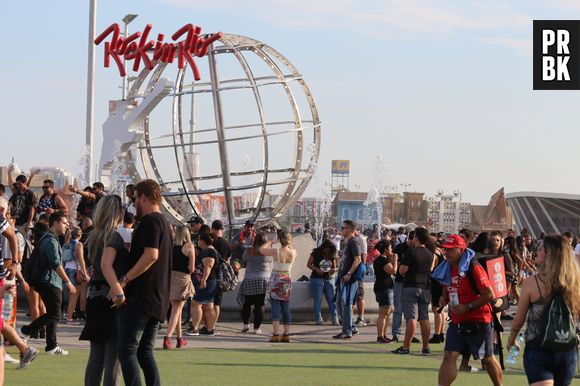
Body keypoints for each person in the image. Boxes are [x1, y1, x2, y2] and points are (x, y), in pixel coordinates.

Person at [115, 180, 172, 386]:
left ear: (144, 197)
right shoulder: (164, 223)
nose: (134, 203)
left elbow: (151, 255)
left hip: (142, 296)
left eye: (136, 198)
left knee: (127, 350)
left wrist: (125, 279)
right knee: (144, 352)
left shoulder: (150, 222)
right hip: (158, 297)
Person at [508, 235, 580, 386]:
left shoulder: (532, 283)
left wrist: (512, 338)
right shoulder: (576, 282)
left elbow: (518, 320)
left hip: (538, 348)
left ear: (548, 254)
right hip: (567, 348)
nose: (536, 252)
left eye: (540, 249)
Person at [435, 234, 502, 386]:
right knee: (449, 355)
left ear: (460, 250)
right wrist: (444, 298)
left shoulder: (474, 267)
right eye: (445, 249)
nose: (446, 252)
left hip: (478, 321)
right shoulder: (447, 267)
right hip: (457, 321)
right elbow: (449, 287)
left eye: (451, 250)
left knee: (488, 358)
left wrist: (468, 306)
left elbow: (489, 294)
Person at [80, 194, 127, 386]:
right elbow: (109, 266)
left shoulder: (93, 236)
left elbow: (96, 266)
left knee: (96, 354)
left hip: (94, 295)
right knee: (113, 356)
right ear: (117, 213)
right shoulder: (114, 237)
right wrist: (119, 288)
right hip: (111, 294)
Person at [19, 211, 76, 355]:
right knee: (55, 313)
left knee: (53, 313)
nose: (67, 225)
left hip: (49, 281)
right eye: (64, 222)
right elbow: (56, 264)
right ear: (55, 223)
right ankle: (26, 330)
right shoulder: (50, 240)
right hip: (49, 281)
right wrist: (68, 282)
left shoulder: (51, 238)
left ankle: (51, 345)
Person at [392, 227, 434, 355]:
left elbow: (402, 270)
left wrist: (399, 265)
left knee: (412, 318)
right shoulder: (430, 253)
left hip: (411, 286)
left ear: (416, 238)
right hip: (425, 287)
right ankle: (425, 347)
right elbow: (430, 270)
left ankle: (406, 347)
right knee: (424, 317)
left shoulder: (411, 252)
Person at [237, 231, 273, 334]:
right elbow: (270, 260)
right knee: (260, 305)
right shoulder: (267, 251)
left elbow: (244, 259)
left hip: (249, 279)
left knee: (247, 304)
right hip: (263, 280)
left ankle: (245, 325)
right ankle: (257, 328)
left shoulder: (249, 250)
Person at [164, 226, 194, 349]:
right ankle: (168, 338)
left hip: (171, 277)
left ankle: (179, 338)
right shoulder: (189, 247)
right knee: (176, 309)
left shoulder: (171, 246)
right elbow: (191, 268)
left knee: (177, 310)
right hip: (183, 278)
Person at [332, 220, 362, 340]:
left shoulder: (354, 242)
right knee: (340, 304)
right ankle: (351, 327)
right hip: (342, 277)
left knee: (346, 304)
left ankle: (347, 331)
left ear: (349, 229)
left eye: (343, 227)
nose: (341, 229)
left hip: (348, 279)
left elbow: (358, 259)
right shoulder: (347, 242)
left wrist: (349, 273)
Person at [265, 230, 296, 343]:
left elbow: (261, 249)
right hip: (287, 279)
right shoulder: (293, 252)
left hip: (275, 279)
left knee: (275, 308)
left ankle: (276, 334)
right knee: (286, 308)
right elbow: (290, 246)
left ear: (280, 238)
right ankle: (286, 335)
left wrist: (271, 241)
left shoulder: (276, 251)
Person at [189, 232, 219, 336]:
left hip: (207, 282)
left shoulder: (208, 251)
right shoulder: (211, 250)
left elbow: (208, 266)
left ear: (203, 241)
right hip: (211, 282)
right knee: (208, 306)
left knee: (196, 303)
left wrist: (203, 280)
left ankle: (195, 328)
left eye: (199, 239)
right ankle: (210, 329)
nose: (198, 242)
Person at [307, 240, 338, 325]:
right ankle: (318, 319)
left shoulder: (332, 254)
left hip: (329, 278)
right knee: (317, 299)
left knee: (331, 299)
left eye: (330, 250)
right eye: (327, 250)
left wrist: (332, 270)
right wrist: (316, 269)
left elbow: (335, 267)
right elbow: (309, 264)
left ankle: (335, 318)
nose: (328, 252)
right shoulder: (316, 252)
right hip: (316, 278)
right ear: (324, 247)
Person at [391, 230, 415, 342]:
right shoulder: (400, 248)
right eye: (411, 242)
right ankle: (396, 333)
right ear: (409, 239)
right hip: (400, 281)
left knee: (411, 310)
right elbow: (394, 264)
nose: (412, 245)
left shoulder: (417, 249)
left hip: (412, 282)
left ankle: (410, 334)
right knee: (398, 308)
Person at [373, 239, 397, 343]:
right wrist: (395, 260)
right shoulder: (382, 260)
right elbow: (393, 271)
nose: (392, 249)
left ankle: (383, 334)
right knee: (384, 313)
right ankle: (380, 336)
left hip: (382, 287)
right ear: (386, 250)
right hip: (384, 288)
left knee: (386, 313)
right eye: (390, 248)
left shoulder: (379, 260)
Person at [209, 220, 231, 332]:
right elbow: (227, 259)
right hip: (222, 277)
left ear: (212, 229)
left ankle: (207, 325)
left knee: (208, 302)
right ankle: (213, 325)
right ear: (222, 229)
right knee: (217, 303)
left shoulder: (212, 242)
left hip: (211, 274)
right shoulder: (227, 244)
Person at [7, 174, 36, 238]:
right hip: (16, 222)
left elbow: (32, 209)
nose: (18, 186)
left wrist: (28, 223)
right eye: (17, 184)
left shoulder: (30, 194)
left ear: (25, 183)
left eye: (19, 184)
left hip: (24, 223)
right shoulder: (17, 193)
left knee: (25, 241)